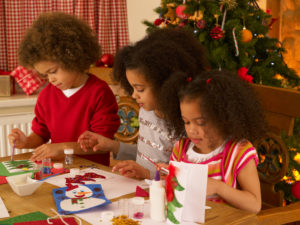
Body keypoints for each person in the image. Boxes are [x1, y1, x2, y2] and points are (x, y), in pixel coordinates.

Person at [78, 28, 208, 179]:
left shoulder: (187, 124)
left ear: (165, 84)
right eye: (132, 87)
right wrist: (112, 146)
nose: (134, 95)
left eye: (140, 89)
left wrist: (148, 174)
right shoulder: (147, 110)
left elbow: (187, 178)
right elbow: (148, 156)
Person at [8, 12, 120, 166]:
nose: (50, 79)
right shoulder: (47, 95)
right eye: (45, 74)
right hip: (59, 171)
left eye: (53, 71)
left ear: (71, 57)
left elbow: (102, 144)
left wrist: (62, 148)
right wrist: (26, 141)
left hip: (94, 172)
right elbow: (41, 134)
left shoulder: (99, 92)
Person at [159, 70, 265, 213]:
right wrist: (168, 177)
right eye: (187, 122)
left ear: (222, 118)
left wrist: (218, 187)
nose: (192, 130)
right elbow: (176, 194)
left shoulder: (238, 152)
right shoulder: (181, 148)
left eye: (201, 122)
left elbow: (254, 205)